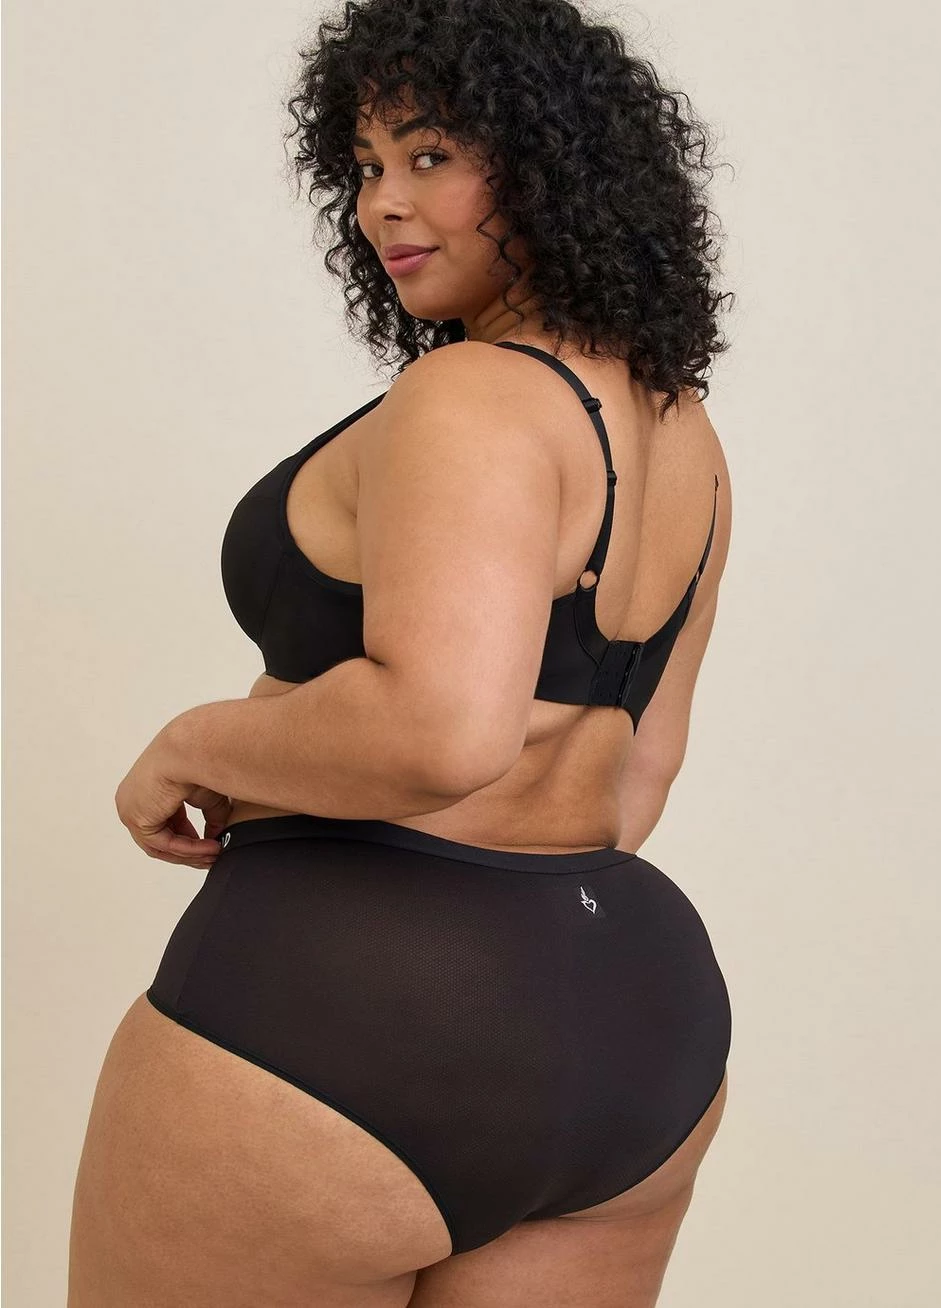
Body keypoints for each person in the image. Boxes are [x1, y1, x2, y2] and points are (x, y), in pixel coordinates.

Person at [68, 2, 736, 1304]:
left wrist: (193, 743)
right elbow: (638, 778)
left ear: (549, 161)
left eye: (430, 156)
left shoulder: (472, 395)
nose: (384, 202)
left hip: (347, 1008)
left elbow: (441, 729)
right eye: (367, 164)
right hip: (627, 1020)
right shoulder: (681, 430)